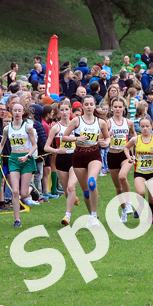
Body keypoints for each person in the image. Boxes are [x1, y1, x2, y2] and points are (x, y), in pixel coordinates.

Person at [62, 95, 110, 229]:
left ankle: (94, 215)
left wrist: (105, 143)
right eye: (86, 104)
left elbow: (107, 138)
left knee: (92, 182)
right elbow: (64, 137)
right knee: (86, 191)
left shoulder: (100, 122)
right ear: (82, 106)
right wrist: (76, 139)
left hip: (94, 155)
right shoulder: (76, 121)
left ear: (95, 106)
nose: (89, 107)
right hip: (79, 156)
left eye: (91, 104)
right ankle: (91, 215)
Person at [0, 103, 38, 227]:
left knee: (23, 194)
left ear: (23, 112)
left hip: (27, 160)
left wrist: (27, 156)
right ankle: (17, 220)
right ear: (12, 112)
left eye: (20, 110)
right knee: (15, 191)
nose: (17, 113)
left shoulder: (28, 127)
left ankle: (31, 188)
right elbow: (2, 144)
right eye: (15, 110)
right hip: (14, 160)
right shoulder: (7, 128)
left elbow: (34, 145)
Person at [43, 100, 81, 225]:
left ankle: (67, 216)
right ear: (58, 112)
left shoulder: (76, 125)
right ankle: (72, 197)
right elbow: (46, 147)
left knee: (71, 187)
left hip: (74, 159)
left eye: (66, 109)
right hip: (61, 160)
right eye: (62, 110)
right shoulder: (56, 127)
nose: (64, 112)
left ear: (70, 110)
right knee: (66, 191)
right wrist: (57, 150)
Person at [107, 97, 136, 222]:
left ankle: (128, 203)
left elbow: (134, 135)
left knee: (122, 176)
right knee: (118, 187)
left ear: (124, 108)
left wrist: (133, 150)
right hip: (112, 155)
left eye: (120, 107)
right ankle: (124, 211)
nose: (118, 109)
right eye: (115, 107)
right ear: (112, 108)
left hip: (125, 154)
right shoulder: (108, 123)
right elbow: (101, 139)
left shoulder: (129, 122)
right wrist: (107, 136)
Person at [129, 116, 153, 225]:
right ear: (139, 127)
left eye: (147, 126)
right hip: (139, 172)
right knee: (141, 192)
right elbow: (126, 147)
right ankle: (141, 205)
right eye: (142, 126)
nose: (145, 129)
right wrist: (129, 156)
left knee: (152, 199)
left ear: (152, 126)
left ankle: (150, 217)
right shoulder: (136, 139)